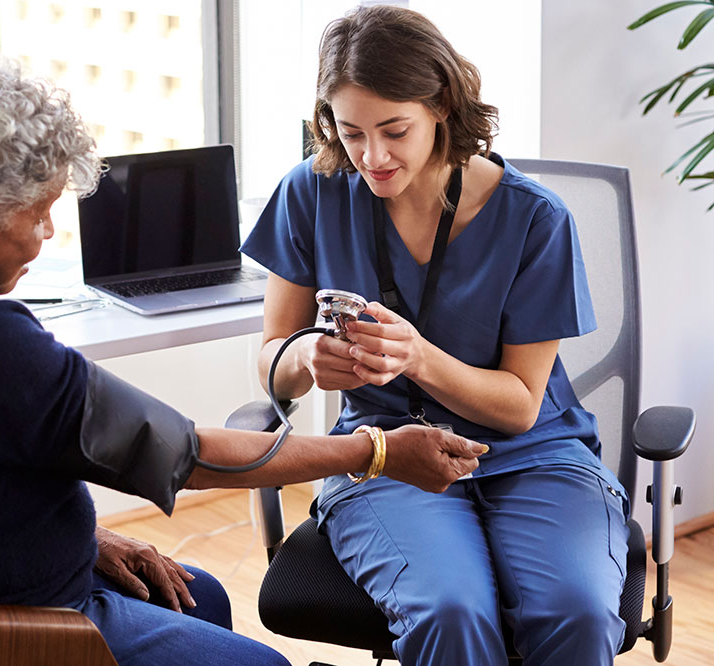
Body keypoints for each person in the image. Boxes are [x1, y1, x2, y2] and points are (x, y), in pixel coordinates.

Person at [0, 48, 485, 666]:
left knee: (201, 595)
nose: (47, 234)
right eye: (38, 214)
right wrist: (375, 451)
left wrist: (87, 537)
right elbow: (189, 453)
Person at [241, 6, 630, 666]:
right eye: (351, 131)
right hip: (384, 455)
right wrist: (303, 356)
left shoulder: (535, 220)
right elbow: (271, 361)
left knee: (578, 612)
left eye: (395, 130)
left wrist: (417, 357)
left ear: (443, 104)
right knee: (449, 610)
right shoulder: (312, 192)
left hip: (531, 453)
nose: (372, 155)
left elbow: (519, 405)